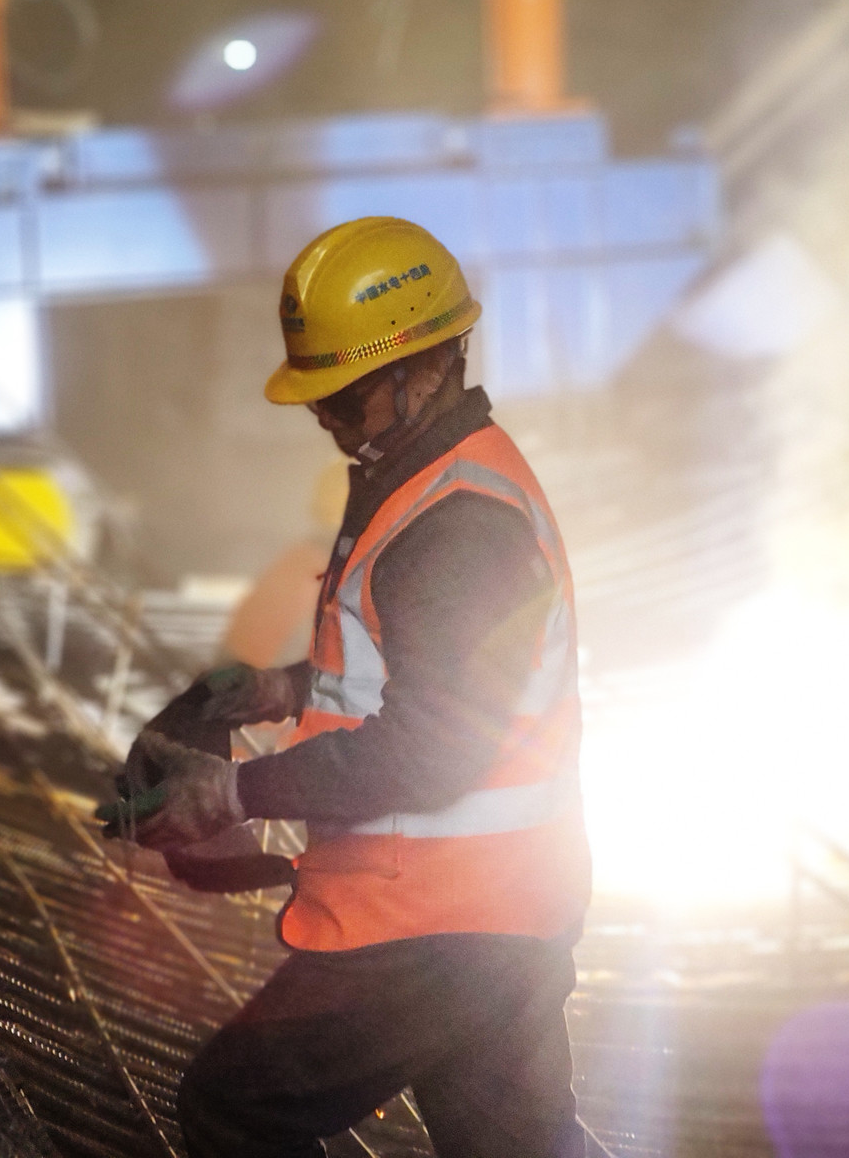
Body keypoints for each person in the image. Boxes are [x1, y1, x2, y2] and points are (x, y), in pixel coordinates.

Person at [103, 216, 592, 1157]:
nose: (327, 419)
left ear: (429, 364)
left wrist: (235, 792)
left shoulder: (457, 525)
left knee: (235, 1111)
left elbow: (435, 746)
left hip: (432, 918)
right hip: (503, 907)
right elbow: (421, 669)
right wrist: (280, 687)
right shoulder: (430, 480)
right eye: (318, 399)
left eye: (345, 395)